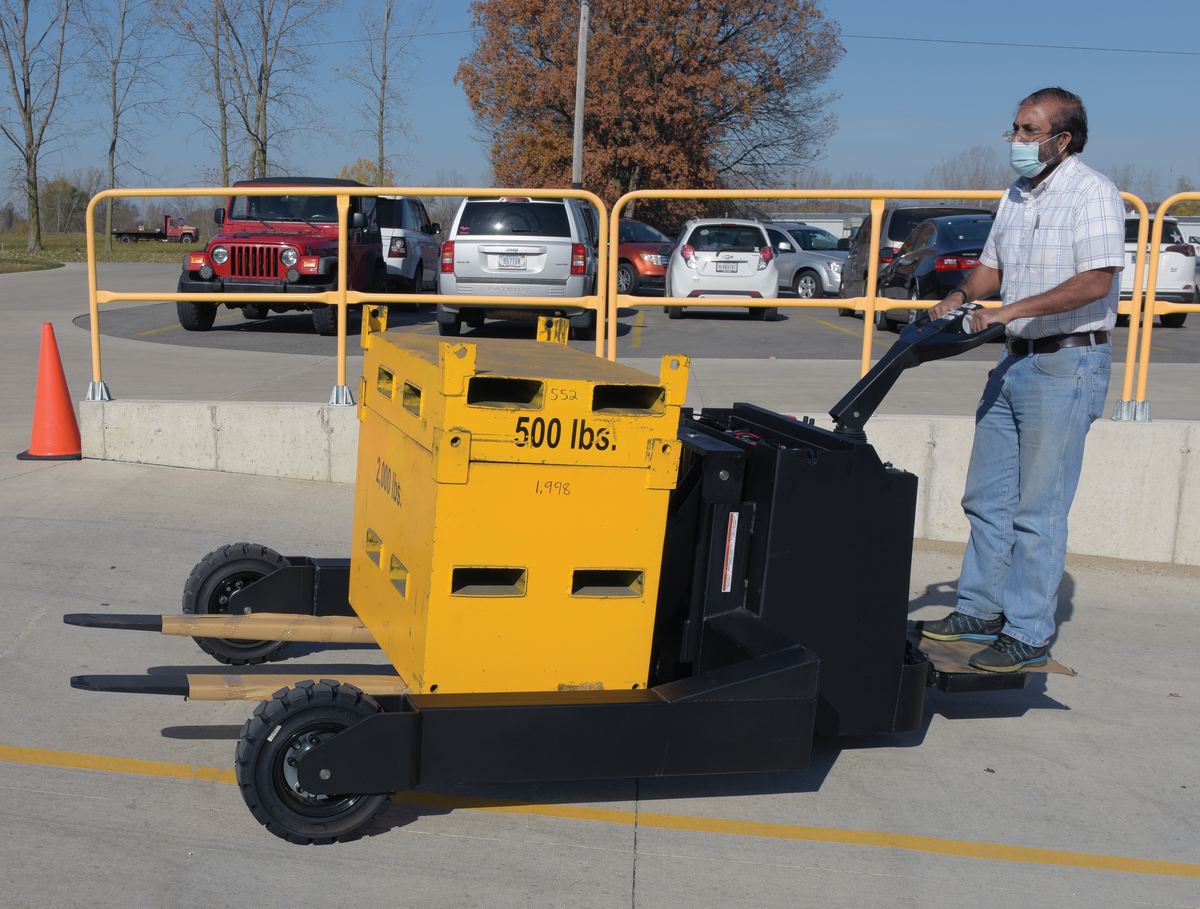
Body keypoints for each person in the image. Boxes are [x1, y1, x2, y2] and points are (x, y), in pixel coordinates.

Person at [920, 87, 1125, 672]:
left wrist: (1008, 311)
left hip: (1067, 365)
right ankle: (979, 609)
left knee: (1040, 508)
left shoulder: (1093, 193)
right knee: (987, 498)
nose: (1017, 140)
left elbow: (1096, 281)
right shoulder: (1016, 193)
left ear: (1063, 139)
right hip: (1014, 361)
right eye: (1014, 129)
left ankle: (1028, 631)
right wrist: (960, 294)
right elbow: (992, 267)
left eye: (1029, 131)